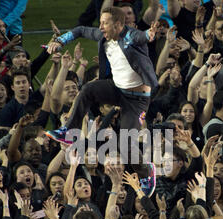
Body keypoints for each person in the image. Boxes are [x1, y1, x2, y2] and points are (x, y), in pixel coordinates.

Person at [46, 6, 159, 143]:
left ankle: (147, 166)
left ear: (117, 25)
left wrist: (148, 34)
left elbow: (140, 37)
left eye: (104, 23)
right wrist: (60, 40)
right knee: (88, 89)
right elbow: (80, 30)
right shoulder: (103, 36)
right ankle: (68, 132)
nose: (100, 27)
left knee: (127, 148)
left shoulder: (130, 36)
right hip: (117, 89)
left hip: (137, 100)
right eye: (100, 22)